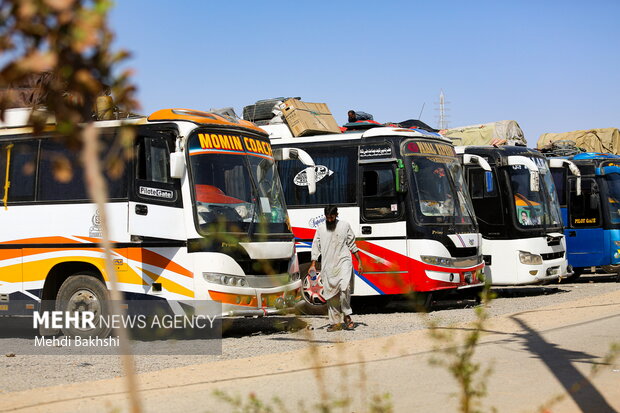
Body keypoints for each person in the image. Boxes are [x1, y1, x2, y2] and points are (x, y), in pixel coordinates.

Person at [309, 205, 363, 331]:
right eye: (327, 217)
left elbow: (352, 244)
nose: (329, 220)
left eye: (331, 217)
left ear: (336, 214)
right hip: (328, 265)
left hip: (344, 262)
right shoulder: (321, 229)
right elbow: (316, 247)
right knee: (331, 294)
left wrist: (359, 261)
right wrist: (313, 263)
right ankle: (335, 323)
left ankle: (347, 316)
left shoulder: (345, 226)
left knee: (345, 288)